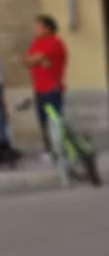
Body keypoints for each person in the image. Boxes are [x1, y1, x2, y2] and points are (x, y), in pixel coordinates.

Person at [25, 14, 67, 156]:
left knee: (55, 120)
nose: (35, 29)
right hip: (39, 89)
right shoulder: (36, 43)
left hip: (52, 89)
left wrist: (35, 60)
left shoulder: (53, 42)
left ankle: (61, 149)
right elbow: (26, 61)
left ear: (48, 28)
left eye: (38, 27)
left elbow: (33, 59)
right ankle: (49, 150)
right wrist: (36, 61)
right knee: (43, 121)